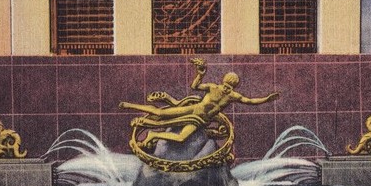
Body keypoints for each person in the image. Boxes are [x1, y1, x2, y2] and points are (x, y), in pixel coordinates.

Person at [119, 59, 279, 150]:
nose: (227, 87)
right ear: (223, 81)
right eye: (226, 83)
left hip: (201, 121)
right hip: (193, 109)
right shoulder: (212, 87)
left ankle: (153, 135)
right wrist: (200, 74)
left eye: (231, 85)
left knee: (181, 138)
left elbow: (250, 101)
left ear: (234, 87)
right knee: (160, 114)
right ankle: (129, 105)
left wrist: (266, 99)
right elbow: (195, 87)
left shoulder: (232, 96)